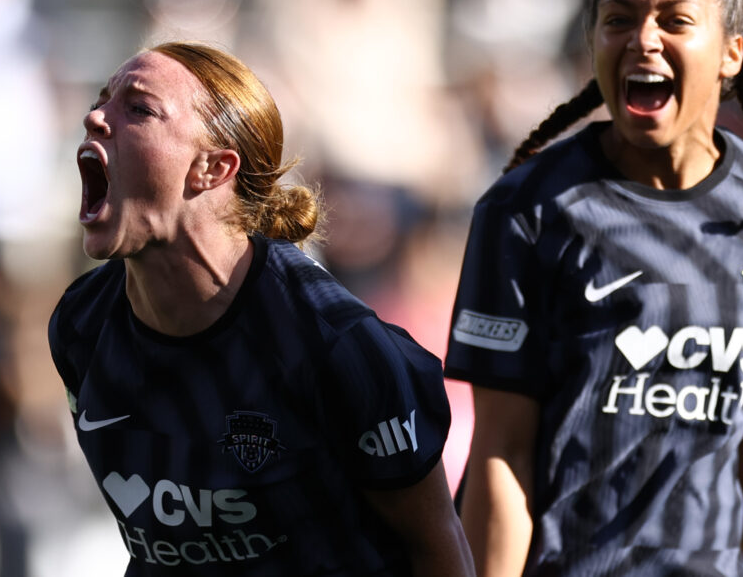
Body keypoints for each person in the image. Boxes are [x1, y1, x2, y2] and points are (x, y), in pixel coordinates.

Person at [444, 0, 743, 577]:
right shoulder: (528, 210)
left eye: (675, 21)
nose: (643, 39)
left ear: (732, 54)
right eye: (618, 20)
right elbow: (501, 452)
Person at [48, 41, 475, 576]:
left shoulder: (337, 345)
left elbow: (436, 547)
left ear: (212, 167)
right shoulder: (81, 325)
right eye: (101, 99)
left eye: (138, 108)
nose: (94, 116)